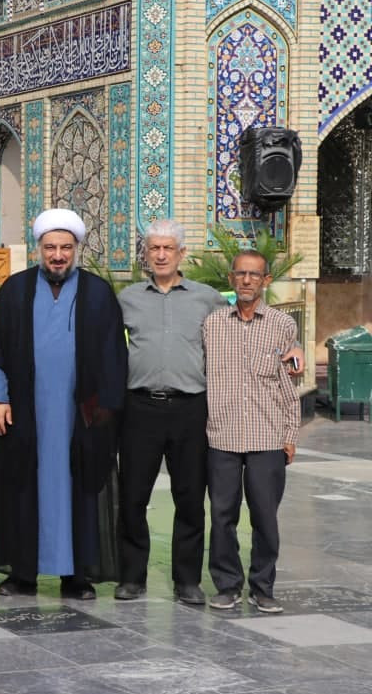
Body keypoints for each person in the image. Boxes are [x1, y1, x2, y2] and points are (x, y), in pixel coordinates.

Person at [0, 208, 126, 600]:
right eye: (50, 247)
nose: (58, 255)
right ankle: (23, 574)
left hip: (78, 417)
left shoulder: (98, 293)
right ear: (39, 249)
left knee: (78, 491)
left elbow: (114, 356)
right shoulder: (15, 291)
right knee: (23, 490)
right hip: (26, 414)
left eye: (66, 247)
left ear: (77, 248)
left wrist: (103, 410)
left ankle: (76, 576)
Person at [114, 220, 229, 606]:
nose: (161, 255)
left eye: (168, 248)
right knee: (133, 496)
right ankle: (131, 577)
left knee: (191, 497)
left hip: (190, 409)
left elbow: (243, 327)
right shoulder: (128, 298)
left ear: (182, 253)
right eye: (154, 248)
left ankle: (187, 581)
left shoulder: (207, 299)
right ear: (145, 254)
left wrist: (289, 344)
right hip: (140, 408)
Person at [204, 250, 301, 614]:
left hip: (267, 437)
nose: (247, 280)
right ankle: (227, 585)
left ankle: (263, 587)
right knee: (222, 515)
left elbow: (289, 383)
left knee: (264, 516)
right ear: (231, 278)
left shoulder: (282, 325)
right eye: (241, 274)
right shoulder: (212, 324)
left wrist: (290, 433)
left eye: (254, 275)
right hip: (222, 436)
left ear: (266, 280)